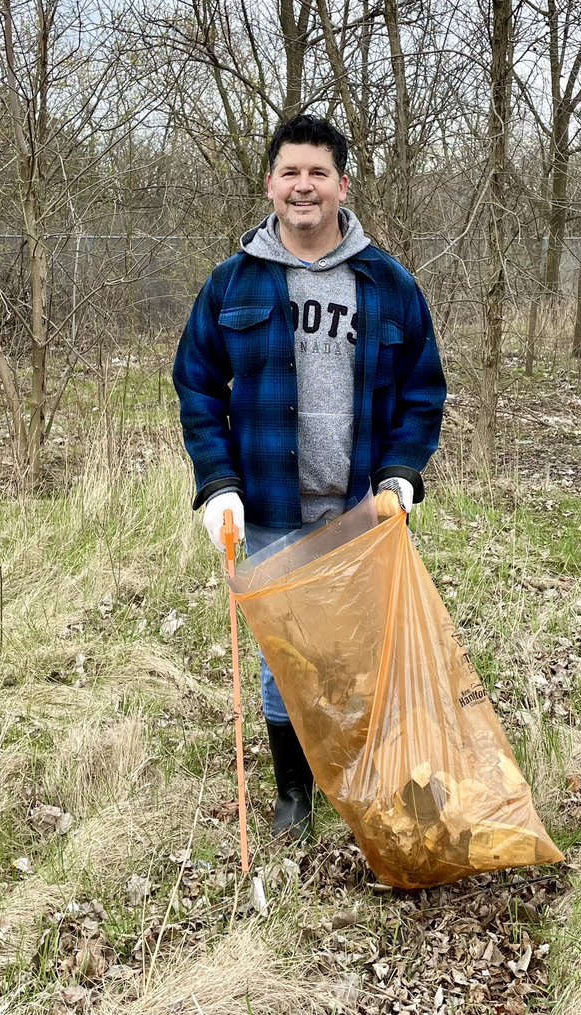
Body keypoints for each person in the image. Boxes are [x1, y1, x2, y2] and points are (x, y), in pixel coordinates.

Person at [173, 113, 446, 841]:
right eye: (290, 172)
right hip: (264, 507)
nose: (303, 187)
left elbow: (423, 392)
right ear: (270, 184)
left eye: (317, 173)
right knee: (284, 662)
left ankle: (366, 780)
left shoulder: (388, 285)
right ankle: (295, 793)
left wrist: (401, 475)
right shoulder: (232, 283)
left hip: (359, 514)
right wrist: (217, 483)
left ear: (342, 185)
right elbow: (197, 385)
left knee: (359, 658)